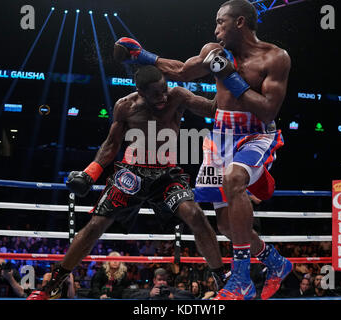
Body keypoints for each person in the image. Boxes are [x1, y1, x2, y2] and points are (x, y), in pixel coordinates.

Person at [114, 0, 291, 300]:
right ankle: (275, 262)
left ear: (240, 23)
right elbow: (182, 71)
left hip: (255, 133)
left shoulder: (275, 58)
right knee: (225, 223)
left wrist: (231, 79)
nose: (215, 28)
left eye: (221, 22)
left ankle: (242, 279)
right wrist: (141, 54)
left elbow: (268, 111)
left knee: (234, 181)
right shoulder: (214, 51)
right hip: (221, 135)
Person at [27, 65, 225, 299]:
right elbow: (111, 145)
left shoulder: (177, 96)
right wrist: (90, 173)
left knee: (195, 215)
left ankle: (224, 283)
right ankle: (52, 285)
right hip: (131, 172)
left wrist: (224, 76)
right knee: (95, 226)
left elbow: (214, 109)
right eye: (155, 94)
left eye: (164, 89)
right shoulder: (125, 106)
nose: (163, 97)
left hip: (166, 172)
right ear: (140, 91)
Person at [129, 267, 195, 300]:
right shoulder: (149, 290)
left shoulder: (171, 290)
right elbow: (131, 296)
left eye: (164, 280)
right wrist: (149, 294)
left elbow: (190, 296)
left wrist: (173, 296)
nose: (162, 282)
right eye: (159, 280)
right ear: (154, 280)